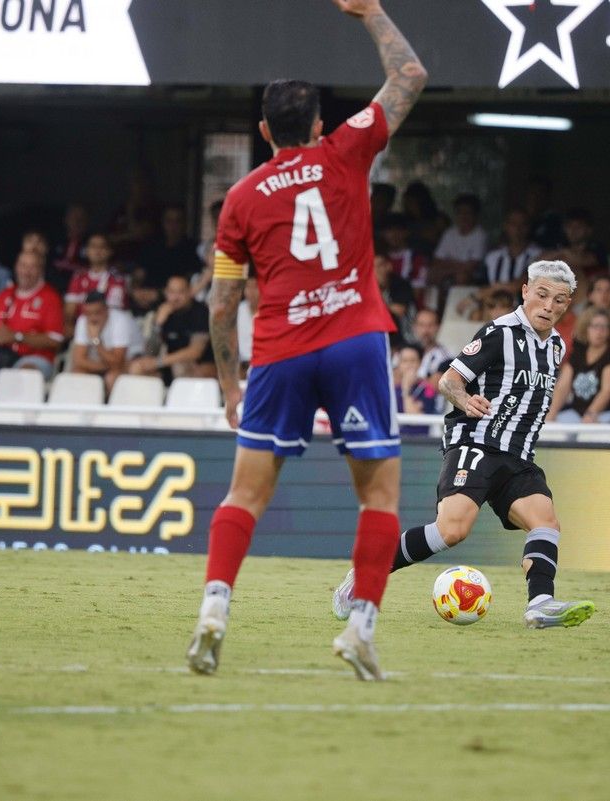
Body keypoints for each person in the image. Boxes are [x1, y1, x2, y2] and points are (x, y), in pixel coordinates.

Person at [185, 0, 427, 682]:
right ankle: (360, 625)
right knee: (378, 496)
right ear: (318, 124)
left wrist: (230, 383)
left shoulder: (240, 198)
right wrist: (371, 13)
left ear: (264, 130)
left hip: (280, 350)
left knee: (244, 495)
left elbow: (223, 300)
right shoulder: (347, 147)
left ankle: (213, 608)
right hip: (353, 340)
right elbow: (410, 73)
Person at [332, 261, 596, 629]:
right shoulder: (499, 333)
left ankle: (540, 604)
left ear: (567, 305)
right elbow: (449, 380)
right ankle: (365, 574)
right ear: (525, 292)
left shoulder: (555, 347)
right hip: (476, 443)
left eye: (559, 300)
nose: (549, 305)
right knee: (451, 531)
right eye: (542, 295)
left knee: (546, 522)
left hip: (518, 455)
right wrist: (464, 399)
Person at [0, 250, 65, 380]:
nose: (26, 271)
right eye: (23, 265)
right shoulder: (4, 295)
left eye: (32, 267)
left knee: (25, 373)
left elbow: (55, 340)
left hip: (34, 358)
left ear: (41, 270)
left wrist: (16, 337)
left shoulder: (51, 298)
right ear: (16, 267)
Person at [127, 274, 215, 385]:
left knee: (179, 366)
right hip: (167, 364)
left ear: (189, 292)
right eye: (172, 292)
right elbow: (150, 352)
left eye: (180, 292)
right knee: (137, 367)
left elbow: (195, 352)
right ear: (166, 293)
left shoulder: (200, 312)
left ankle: (181, 401)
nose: (175, 297)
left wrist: (159, 362)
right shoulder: (163, 310)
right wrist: (157, 325)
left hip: (200, 364)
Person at [549, 307, 610, 424]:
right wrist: (550, 415)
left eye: (604, 327)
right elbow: (562, 388)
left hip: (607, 413)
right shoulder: (578, 353)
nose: (599, 331)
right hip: (577, 413)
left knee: (586, 435)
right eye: (595, 326)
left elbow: (608, 391)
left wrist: (590, 414)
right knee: (551, 430)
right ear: (586, 328)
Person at [70, 291, 141, 394]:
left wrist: (96, 341)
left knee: (111, 377)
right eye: (89, 313)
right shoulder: (83, 320)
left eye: (97, 313)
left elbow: (118, 361)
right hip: (104, 363)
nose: (93, 318)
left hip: (131, 361)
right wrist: (105, 366)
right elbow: (79, 360)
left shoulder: (120, 321)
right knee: (77, 373)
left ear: (107, 310)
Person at [64, 233, 128, 329]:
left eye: (102, 247)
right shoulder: (78, 277)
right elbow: (69, 312)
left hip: (108, 333)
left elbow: (111, 315)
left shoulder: (117, 280)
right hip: (80, 331)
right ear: (87, 251)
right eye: (93, 246)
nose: (97, 250)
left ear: (109, 251)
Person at [430, 193, 487, 287]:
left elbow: (472, 267)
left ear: (475, 215)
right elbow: (436, 261)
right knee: (430, 274)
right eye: (460, 212)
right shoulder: (449, 233)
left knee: (461, 276)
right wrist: (458, 266)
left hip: (475, 277)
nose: (463, 216)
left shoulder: (480, 235)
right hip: (450, 272)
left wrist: (449, 264)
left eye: (467, 213)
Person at [411, 309, 450, 382]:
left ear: (438, 327)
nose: (425, 330)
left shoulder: (445, 358)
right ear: (414, 327)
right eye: (421, 325)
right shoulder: (404, 351)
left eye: (430, 325)